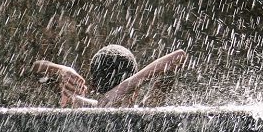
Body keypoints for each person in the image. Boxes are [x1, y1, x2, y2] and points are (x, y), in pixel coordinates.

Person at [34, 44, 187, 107]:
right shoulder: (147, 112)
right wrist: (128, 85)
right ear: (137, 90)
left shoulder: (84, 106)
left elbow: (36, 69)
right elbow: (178, 58)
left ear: (93, 85)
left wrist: (62, 70)